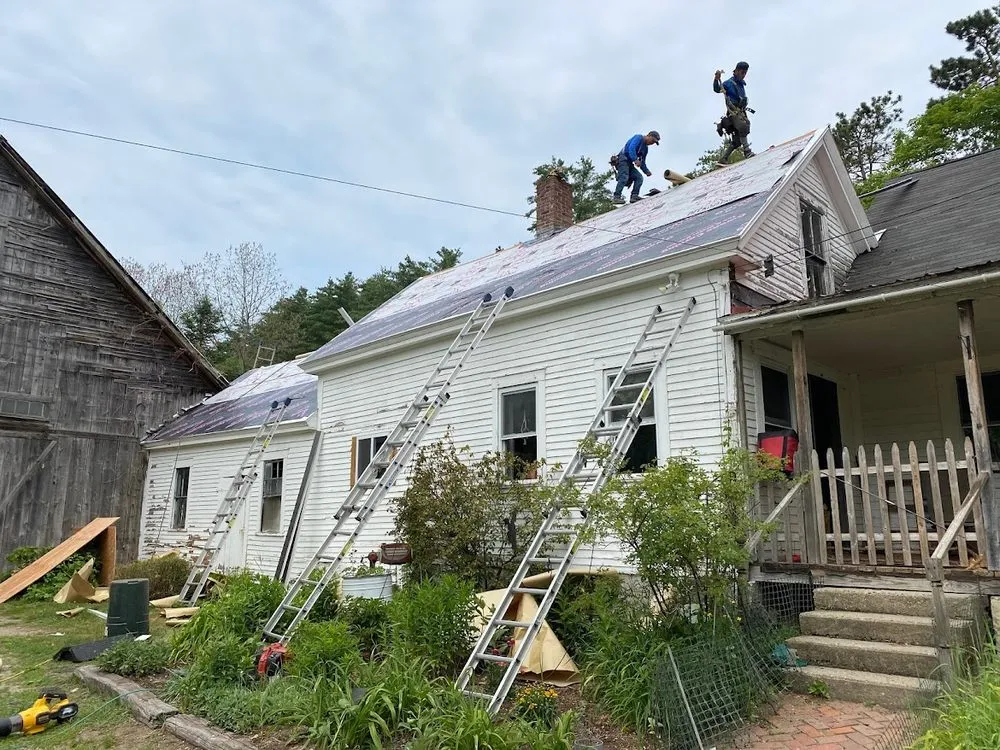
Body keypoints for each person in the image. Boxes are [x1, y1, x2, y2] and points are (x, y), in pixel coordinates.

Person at [713, 62, 754, 164]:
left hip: (741, 111)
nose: (743, 75)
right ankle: (747, 151)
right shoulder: (729, 83)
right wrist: (716, 79)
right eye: (741, 72)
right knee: (743, 126)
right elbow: (717, 89)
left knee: (738, 139)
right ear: (736, 71)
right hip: (733, 112)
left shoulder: (741, 85)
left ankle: (724, 158)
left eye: (745, 73)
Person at [612, 131, 660, 204]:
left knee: (639, 177)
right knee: (624, 177)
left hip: (629, 163)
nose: (652, 143)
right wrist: (635, 159)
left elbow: (642, 162)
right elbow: (632, 148)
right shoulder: (638, 138)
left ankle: (634, 196)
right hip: (622, 159)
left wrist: (646, 171)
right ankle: (616, 197)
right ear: (648, 136)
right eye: (652, 140)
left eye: (654, 143)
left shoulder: (645, 149)